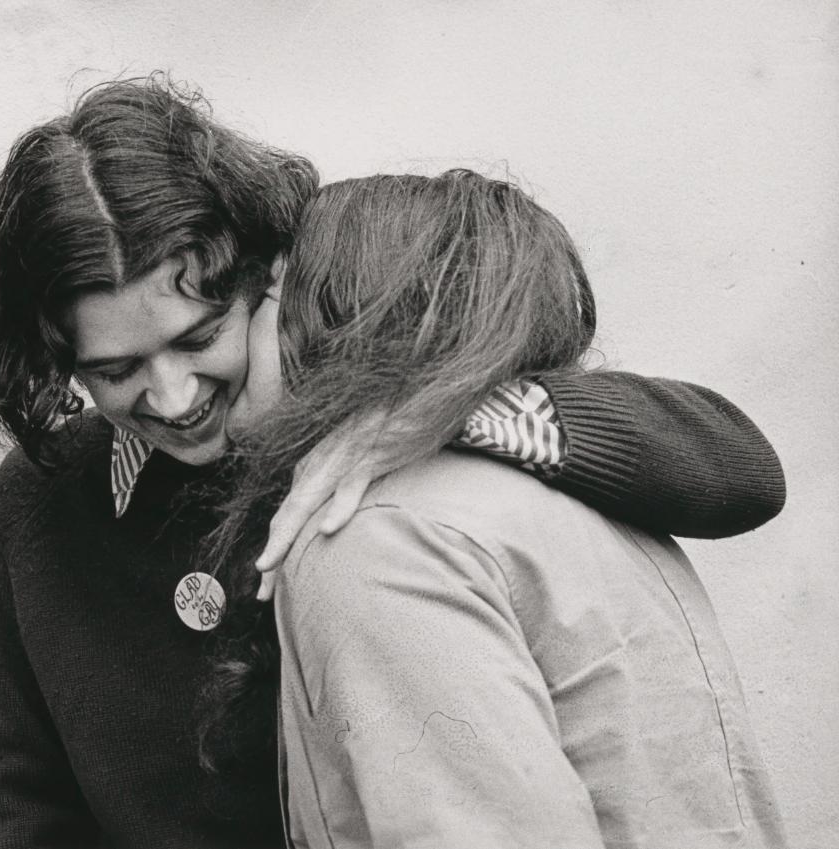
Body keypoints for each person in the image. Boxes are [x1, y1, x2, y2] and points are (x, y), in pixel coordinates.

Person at [0, 76, 786, 848]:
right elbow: (28, 806)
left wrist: (438, 413)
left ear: (261, 277)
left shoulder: (387, 431)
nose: (169, 397)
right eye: (114, 370)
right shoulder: (45, 501)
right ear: (56, 356)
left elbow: (737, 463)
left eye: (199, 338)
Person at [206, 170, 786, 847]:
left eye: (269, 294)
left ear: (342, 312)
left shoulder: (371, 538)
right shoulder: (578, 495)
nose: (241, 327)